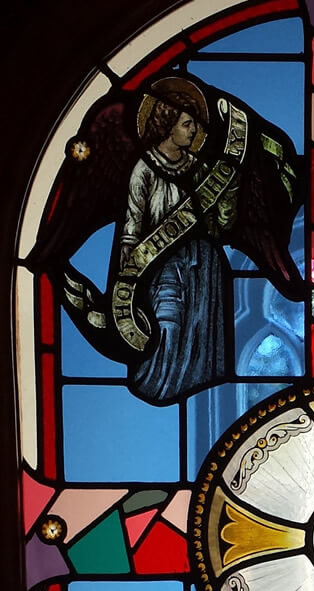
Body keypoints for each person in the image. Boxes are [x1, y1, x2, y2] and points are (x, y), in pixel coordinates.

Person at [119, 87, 229, 404]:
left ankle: (195, 382)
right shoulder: (144, 168)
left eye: (195, 124)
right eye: (187, 123)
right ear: (168, 125)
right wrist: (129, 264)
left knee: (199, 328)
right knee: (166, 325)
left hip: (200, 264)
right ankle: (157, 381)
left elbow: (216, 223)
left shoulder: (198, 168)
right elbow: (133, 221)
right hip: (159, 265)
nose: (193, 130)